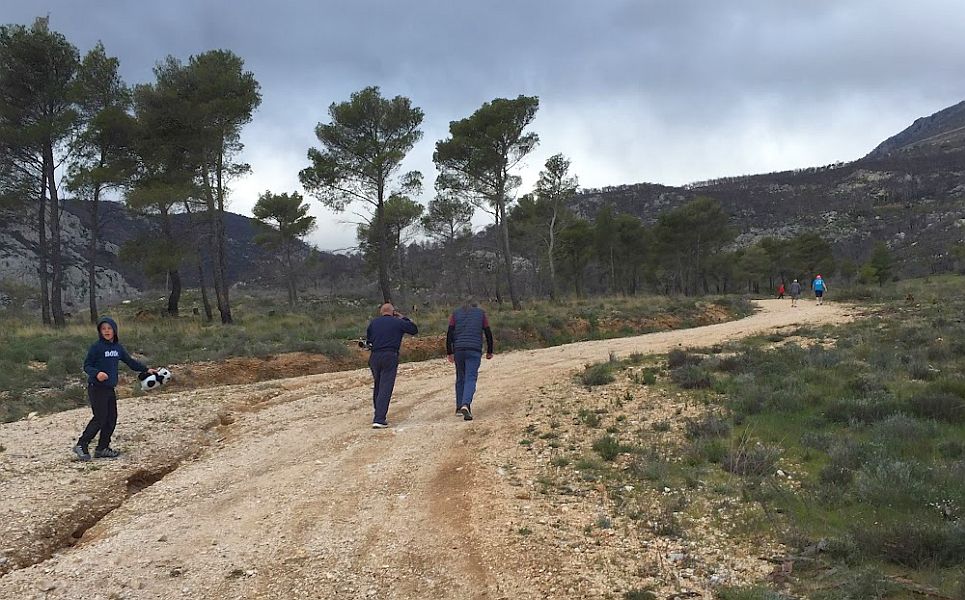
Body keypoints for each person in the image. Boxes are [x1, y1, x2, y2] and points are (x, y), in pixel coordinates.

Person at [73, 317, 156, 461]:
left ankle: (102, 448)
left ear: (114, 330)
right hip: (96, 388)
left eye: (109, 328)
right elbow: (87, 365)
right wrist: (97, 373)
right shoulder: (96, 347)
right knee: (100, 418)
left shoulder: (118, 348)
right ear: (100, 331)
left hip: (109, 388)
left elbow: (130, 362)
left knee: (111, 418)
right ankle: (81, 444)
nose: (106, 331)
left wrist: (146, 369)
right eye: (103, 329)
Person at [365, 303, 418, 428]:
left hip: (374, 356)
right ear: (393, 312)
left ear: (381, 312)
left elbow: (369, 340)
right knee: (386, 387)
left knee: (378, 385)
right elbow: (414, 330)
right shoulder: (398, 322)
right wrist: (403, 317)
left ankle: (378, 410)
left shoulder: (374, 323)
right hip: (390, 355)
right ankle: (379, 418)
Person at [446, 299, 494, 421]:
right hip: (474, 349)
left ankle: (458, 407)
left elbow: (450, 332)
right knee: (470, 378)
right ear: (476, 305)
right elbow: (488, 332)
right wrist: (489, 350)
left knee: (460, 378)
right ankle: (466, 404)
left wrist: (449, 352)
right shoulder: (481, 314)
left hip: (459, 350)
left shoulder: (455, 314)